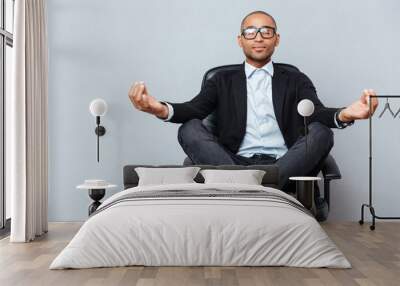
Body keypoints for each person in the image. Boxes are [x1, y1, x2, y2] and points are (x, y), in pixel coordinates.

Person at [128, 11, 378, 197]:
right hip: (233, 162)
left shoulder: (295, 79)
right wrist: (158, 108)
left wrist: (346, 114)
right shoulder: (222, 80)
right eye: (250, 32)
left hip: (283, 163)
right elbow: (194, 109)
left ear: (276, 39)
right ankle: (260, 189)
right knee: (189, 128)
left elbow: (316, 114)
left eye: (266, 31)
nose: (258, 37)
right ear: (240, 40)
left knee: (321, 133)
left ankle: (247, 189)